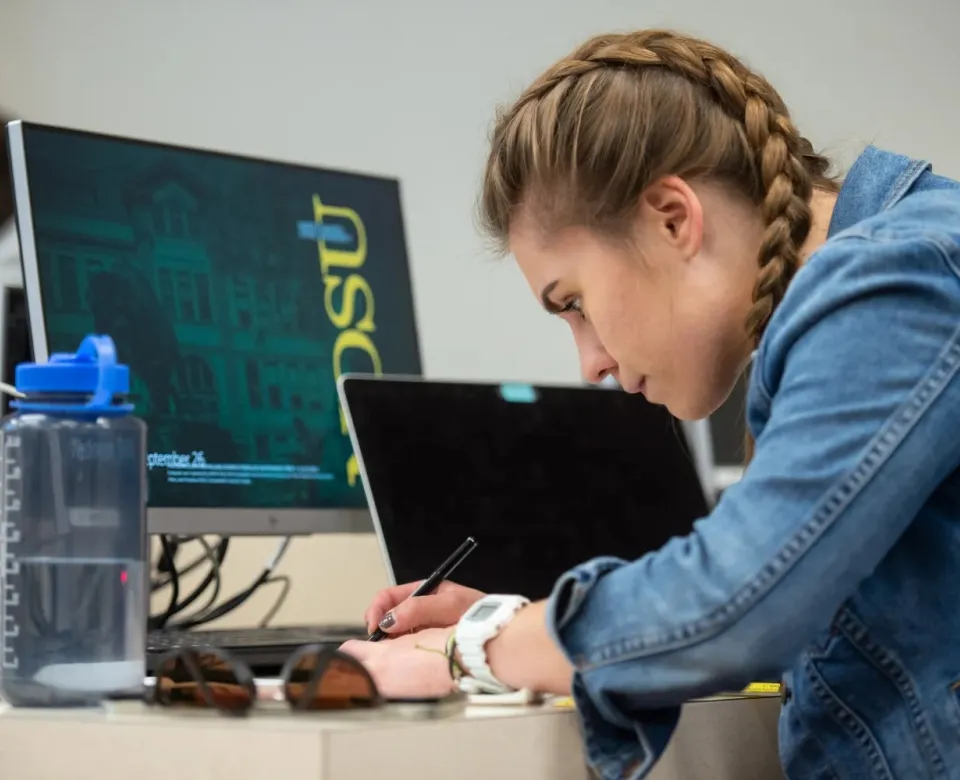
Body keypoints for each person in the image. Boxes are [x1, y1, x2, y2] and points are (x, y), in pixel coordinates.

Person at [340, 28, 960, 780]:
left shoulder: (900, 282)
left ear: (673, 217)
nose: (592, 364)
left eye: (574, 302)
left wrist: (472, 648)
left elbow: (738, 608)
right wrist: (529, 627)